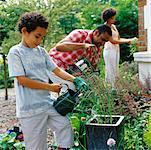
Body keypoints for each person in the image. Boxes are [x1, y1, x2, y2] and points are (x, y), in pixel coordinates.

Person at [7, 12, 87, 150]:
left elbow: (56, 70)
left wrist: (76, 80)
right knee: (37, 146)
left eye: (42, 37)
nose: (39, 41)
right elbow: (22, 81)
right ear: (24, 31)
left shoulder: (41, 52)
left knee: (64, 126)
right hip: (30, 109)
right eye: (37, 36)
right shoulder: (15, 52)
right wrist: (50, 87)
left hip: (47, 104)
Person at [102, 8, 138, 88]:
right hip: (109, 51)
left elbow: (118, 39)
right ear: (109, 18)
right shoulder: (105, 28)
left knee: (115, 70)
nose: (115, 18)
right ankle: (110, 89)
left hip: (116, 50)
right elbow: (113, 41)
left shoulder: (113, 26)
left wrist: (130, 40)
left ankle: (115, 88)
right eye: (113, 17)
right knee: (110, 70)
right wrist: (128, 40)